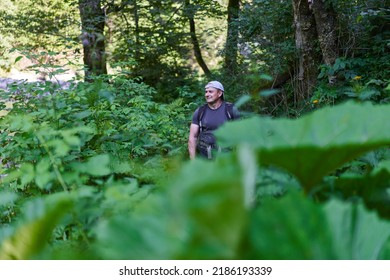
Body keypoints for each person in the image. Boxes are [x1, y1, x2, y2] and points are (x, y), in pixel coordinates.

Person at [188, 81, 239, 159]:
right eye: (206, 92)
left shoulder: (231, 110)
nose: (207, 94)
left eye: (210, 92)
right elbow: (193, 137)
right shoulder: (200, 111)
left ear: (219, 93)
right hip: (205, 161)